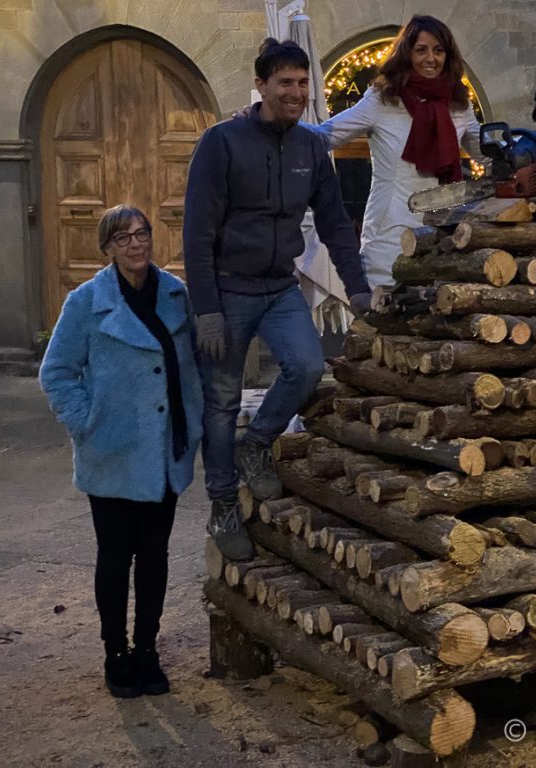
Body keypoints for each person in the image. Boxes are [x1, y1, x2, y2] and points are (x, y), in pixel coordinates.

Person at [183, 39, 371, 562]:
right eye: (285, 82)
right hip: (226, 289)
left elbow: (335, 223)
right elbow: (196, 232)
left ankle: (258, 442)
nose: (295, 92)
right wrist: (207, 309)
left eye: (303, 83)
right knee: (219, 404)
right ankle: (222, 502)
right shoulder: (222, 143)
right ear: (262, 85)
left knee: (308, 367)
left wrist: (357, 287)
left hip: (278, 288)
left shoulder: (312, 149)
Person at [40, 205, 204, 698]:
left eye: (142, 233)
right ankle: (116, 653)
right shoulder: (86, 302)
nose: (136, 243)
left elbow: (194, 362)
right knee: (115, 557)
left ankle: (148, 650)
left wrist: (193, 421)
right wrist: (85, 422)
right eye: (123, 237)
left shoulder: (177, 295)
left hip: (164, 450)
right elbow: (57, 372)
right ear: (108, 247)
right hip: (111, 451)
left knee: (155, 555)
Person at [310, 15, 482, 288]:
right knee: (384, 317)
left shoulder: (458, 104)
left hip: (442, 233)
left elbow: (488, 154)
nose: (430, 58)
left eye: (438, 50)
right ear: (407, 54)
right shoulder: (383, 99)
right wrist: (267, 125)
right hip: (389, 234)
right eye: (421, 50)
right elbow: (325, 135)